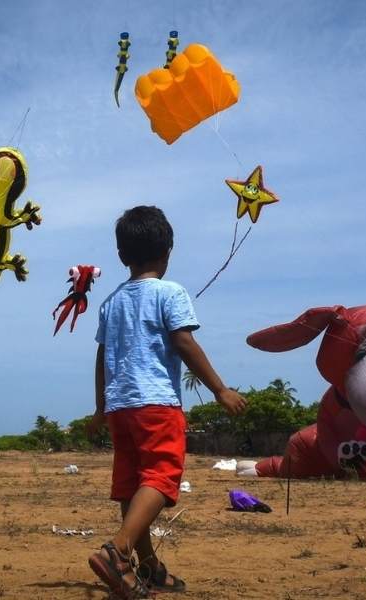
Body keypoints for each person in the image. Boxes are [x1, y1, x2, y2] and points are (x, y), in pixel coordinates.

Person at [87, 205, 247, 598]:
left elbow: (101, 357)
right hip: (156, 404)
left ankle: (148, 569)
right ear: (168, 252)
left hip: (119, 408)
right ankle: (118, 552)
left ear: (122, 255)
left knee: (131, 485)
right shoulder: (170, 292)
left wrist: (99, 406)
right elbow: (184, 341)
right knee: (160, 476)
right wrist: (220, 390)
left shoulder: (111, 302)